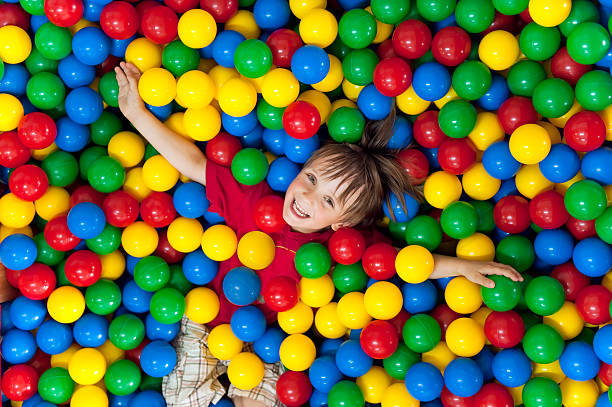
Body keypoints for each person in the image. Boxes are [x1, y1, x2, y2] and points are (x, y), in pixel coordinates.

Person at [115, 62, 522, 407]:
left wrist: (465, 267)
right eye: (309, 177)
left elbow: (408, 265)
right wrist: (137, 114)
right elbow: (194, 163)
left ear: (342, 223)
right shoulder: (257, 202)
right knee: (181, 396)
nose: (307, 196)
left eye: (328, 201)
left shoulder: (344, 249)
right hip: (208, 323)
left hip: (274, 342)